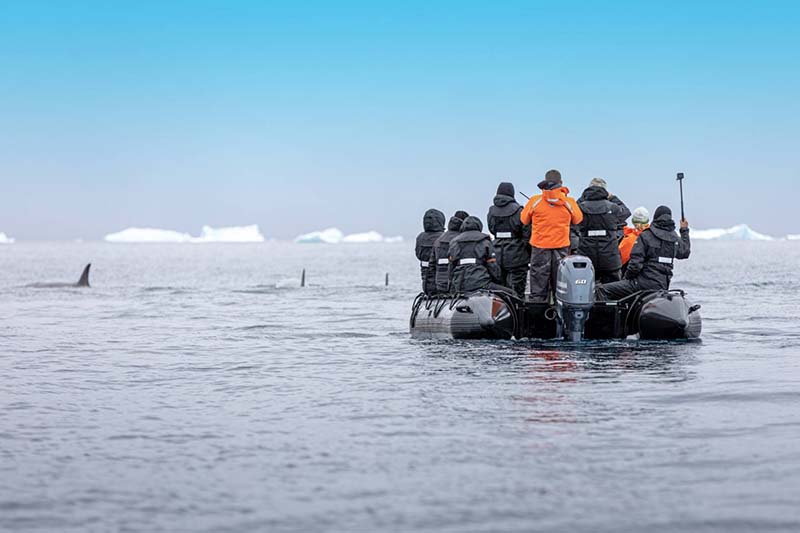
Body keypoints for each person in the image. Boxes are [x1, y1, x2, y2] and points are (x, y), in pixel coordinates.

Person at [597, 206, 691, 301]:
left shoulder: (646, 235)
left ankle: (608, 315)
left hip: (642, 284)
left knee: (601, 290)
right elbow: (685, 252)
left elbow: (635, 264)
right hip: (662, 286)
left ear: (655, 218)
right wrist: (684, 230)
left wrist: (626, 279)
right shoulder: (674, 239)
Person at [520, 169, 583, 303]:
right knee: (561, 287)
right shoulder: (569, 202)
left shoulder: (534, 201)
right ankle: (561, 319)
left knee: (538, 288)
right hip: (561, 248)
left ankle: (537, 319)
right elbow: (578, 220)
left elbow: (524, 220)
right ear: (561, 183)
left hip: (539, 248)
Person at [487, 182, 531, 296]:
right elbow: (527, 233)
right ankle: (517, 312)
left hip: (496, 251)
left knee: (499, 291)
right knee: (517, 291)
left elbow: (491, 229)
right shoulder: (519, 210)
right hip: (517, 253)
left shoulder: (491, 211)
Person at [576, 180, 625, 283]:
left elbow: (572, 220)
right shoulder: (613, 207)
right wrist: (612, 197)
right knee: (612, 290)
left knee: (585, 289)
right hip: (610, 256)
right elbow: (625, 213)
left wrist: (583, 198)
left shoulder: (580, 207)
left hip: (586, 254)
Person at [448, 216, 507, 293]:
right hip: (481, 284)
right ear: (479, 226)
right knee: (510, 294)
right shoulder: (485, 241)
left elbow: (451, 268)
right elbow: (493, 267)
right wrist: (499, 281)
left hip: (459, 285)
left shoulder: (454, 242)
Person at [431, 210, 469, 294]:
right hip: (458, 287)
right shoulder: (463, 240)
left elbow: (432, 266)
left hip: (440, 285)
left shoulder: (438, 240)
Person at [414, 208, 445, 294]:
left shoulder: (420, 237)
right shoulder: (444, 238)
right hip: (442, 283)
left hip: (426, 281)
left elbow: (418, 255)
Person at [619, 207, 650, 275]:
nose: (638, 226)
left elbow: (618, 261)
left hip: (629, 276)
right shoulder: (653, 236)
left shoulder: (629, 238)